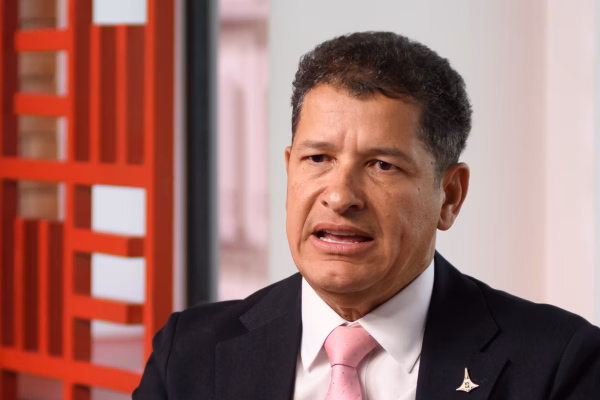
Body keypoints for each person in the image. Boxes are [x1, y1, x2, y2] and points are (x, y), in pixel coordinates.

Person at [133, 31, 600, 399]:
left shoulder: (559, 364)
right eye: (318, 159)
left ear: (450, 196)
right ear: (289, 170)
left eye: (382, 165)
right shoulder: (189, 354)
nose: (340, 197)